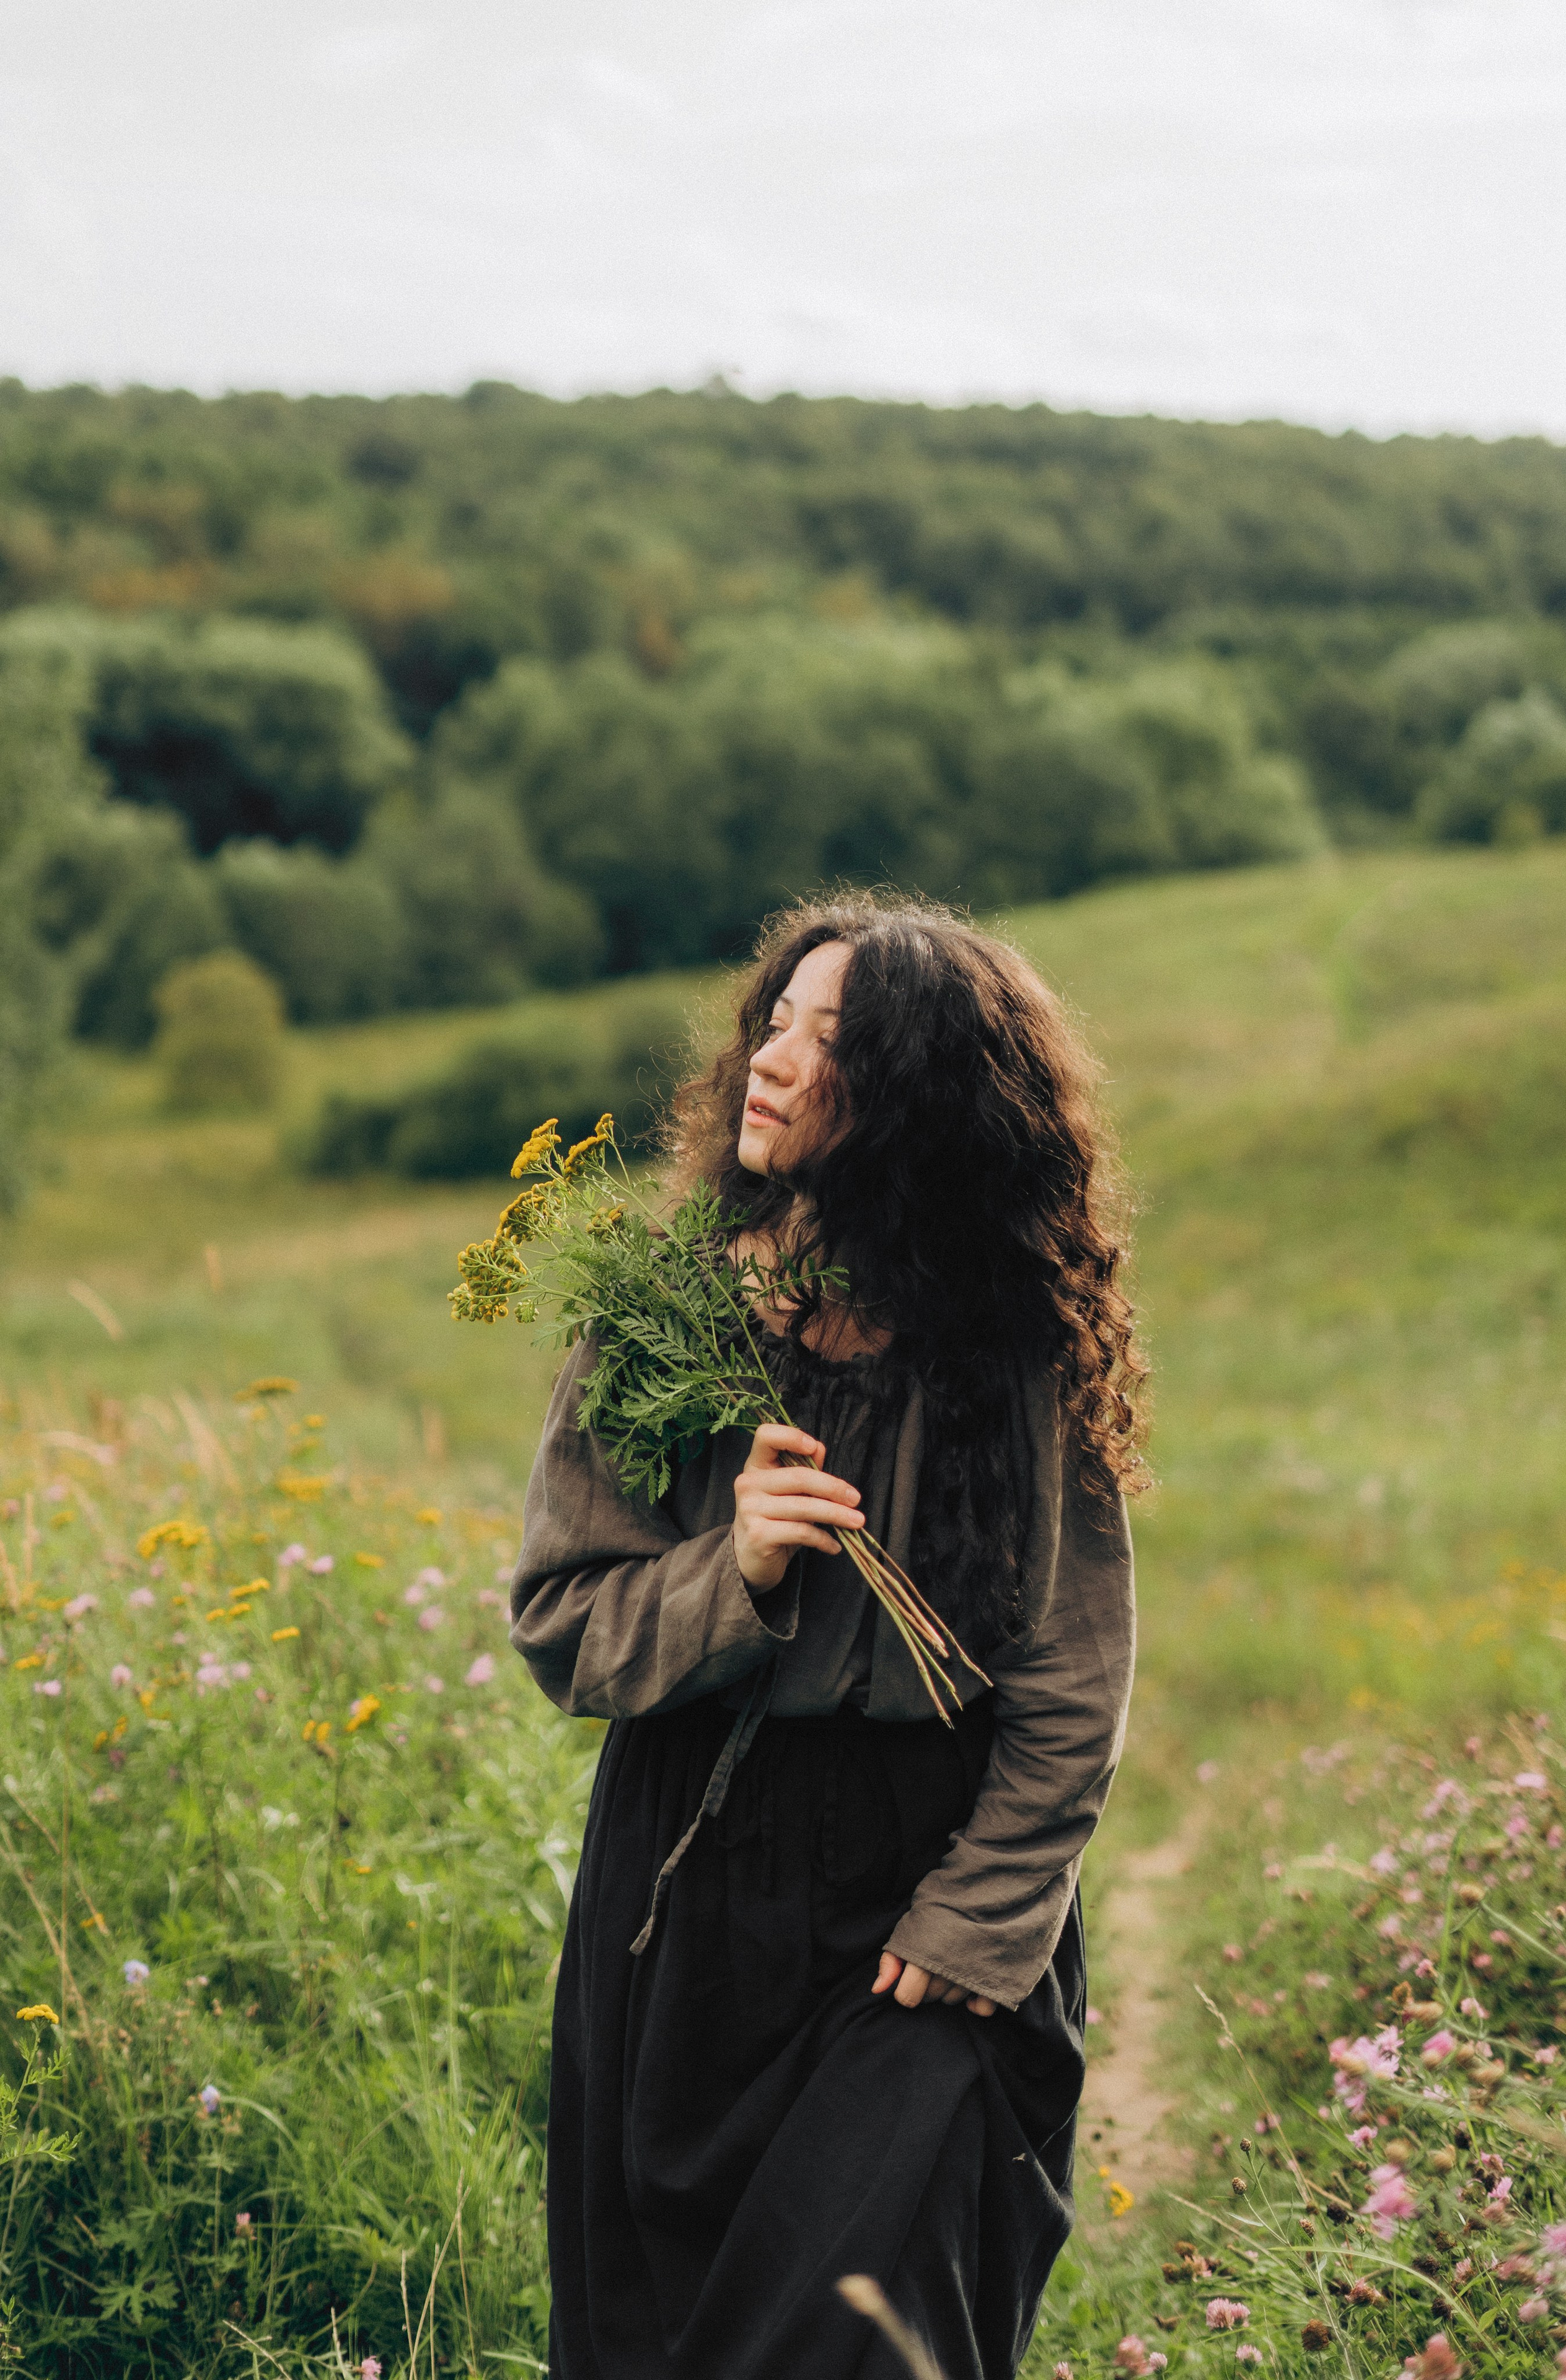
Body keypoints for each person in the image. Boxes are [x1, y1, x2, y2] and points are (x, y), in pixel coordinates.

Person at [509, 894, 1144, 2380]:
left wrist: (983, 1913)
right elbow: (563, 1624)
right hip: (689, 1886)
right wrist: (729, 1572)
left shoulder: (1010, 1346)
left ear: (919, 1096)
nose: (771, 1064)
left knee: (857, 2335)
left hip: (924, 1900)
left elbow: (1070, 1679)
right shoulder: (659, 1321)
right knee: (667, 2342)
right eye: (772, 1025)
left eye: (829, 1041)